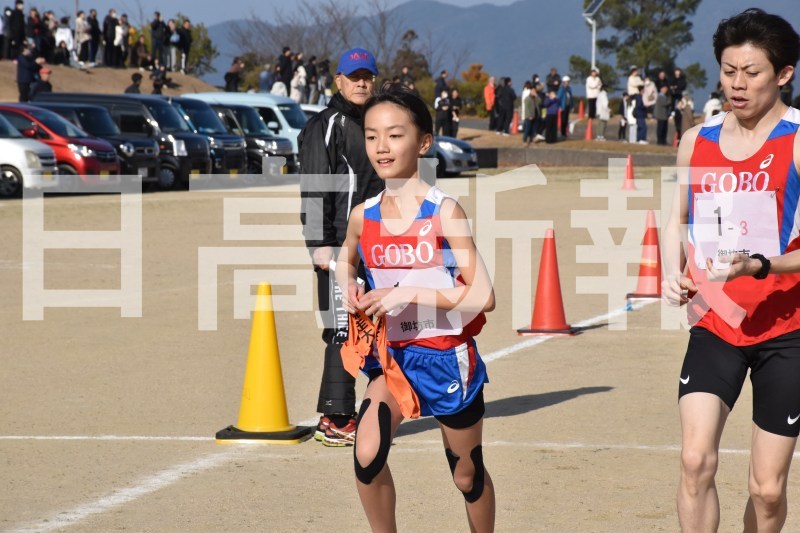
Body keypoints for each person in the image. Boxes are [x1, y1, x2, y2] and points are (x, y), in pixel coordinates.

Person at [335, 82, 495, 532]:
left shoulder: (444, 212)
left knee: (466, 476)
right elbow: (345, 260)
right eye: (371, 136)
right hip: (393, 359)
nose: (381, 147)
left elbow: (484, 296)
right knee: (367, 455)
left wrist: (406, 292)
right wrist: (346, 284)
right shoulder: (363, 214)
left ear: (424, 142)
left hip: (446, 357)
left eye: (394, 135)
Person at [662, 9, 800, 532]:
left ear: (783, 74)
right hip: (716, 320)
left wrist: (760, 265)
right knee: (695, 460)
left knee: (767, 490)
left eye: (752, 72)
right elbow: (676, 219)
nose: (737, 84)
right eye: (728, 70)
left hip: (787, 329)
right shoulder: (696, 140)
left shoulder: (797, 140)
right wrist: (673, 271)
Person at [298, 47, 384, 447]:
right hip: (337, 246)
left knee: (375, 325)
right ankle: (335, 418)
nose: (361, 83)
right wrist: (320, 243)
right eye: (354, 77)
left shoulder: (375, 124)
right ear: (339, 81)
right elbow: (315, 186)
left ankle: (378, 409)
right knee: (341, 328)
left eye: (367, 76)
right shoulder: (326, 125)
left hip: (376, 244)